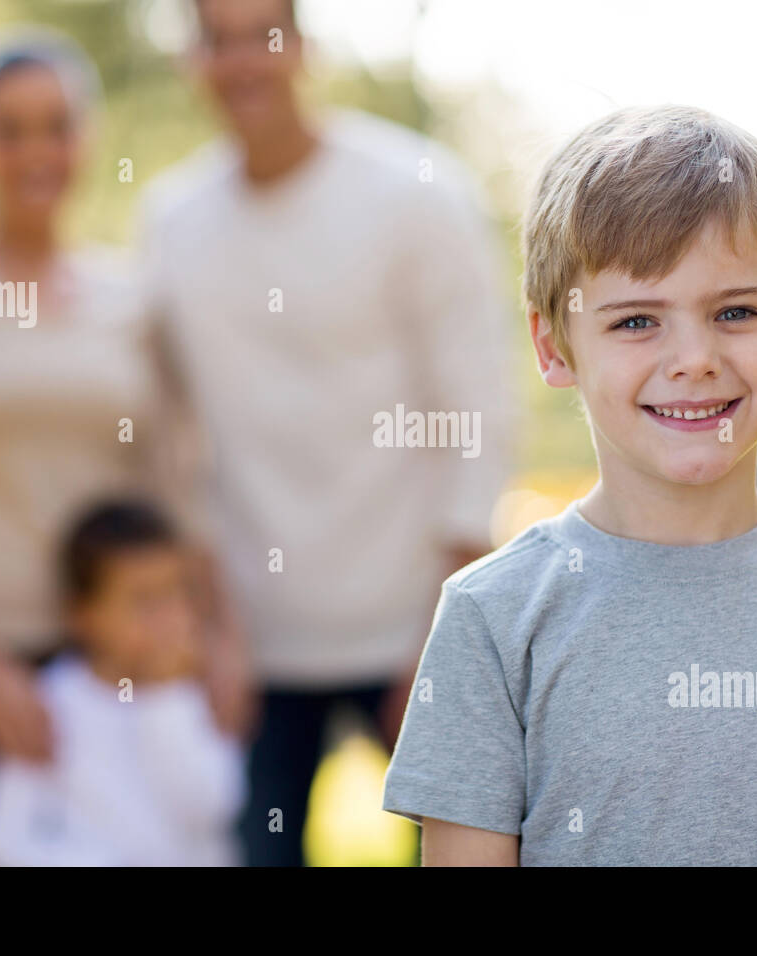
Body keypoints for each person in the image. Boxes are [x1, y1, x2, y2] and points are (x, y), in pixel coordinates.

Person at [382, 105, 757, 866]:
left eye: (735, 311)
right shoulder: (492, 618)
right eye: (638, 322)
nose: (694, 358)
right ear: (553, 346)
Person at [0, 26, 244, 867]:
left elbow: (175, 483)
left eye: (58, 125)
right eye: (11, 128)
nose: (38, 150)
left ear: (86, 140)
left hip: (111, 669)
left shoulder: (132, 300)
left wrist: (216, 636)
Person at [137, 0, 516, 865]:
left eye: (261, 36)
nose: (241, 63)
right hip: (252, 644)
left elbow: (479, 412)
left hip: (412, 629)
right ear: (188, 58)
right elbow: (171, 441)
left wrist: (446, 635)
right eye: (214, 40)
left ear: (303, 46)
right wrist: (208, 623)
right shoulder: (171, 220)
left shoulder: (416, 189)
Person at [0, 501, 246, 866]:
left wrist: (165, 700)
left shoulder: (196, 694)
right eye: (144, 600)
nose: (168, 618)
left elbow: (214, 807)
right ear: (82, 614)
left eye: (177, 593)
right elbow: (0, 840)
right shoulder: (46, 704)